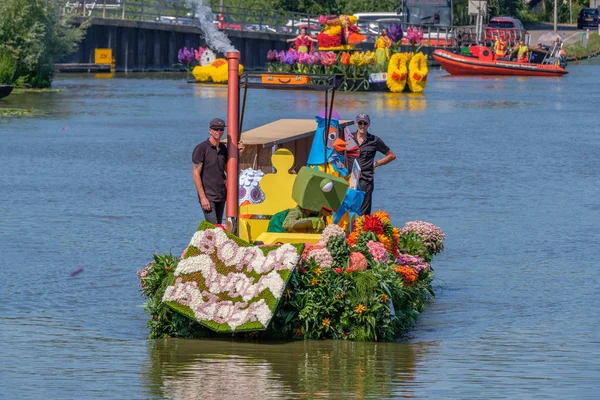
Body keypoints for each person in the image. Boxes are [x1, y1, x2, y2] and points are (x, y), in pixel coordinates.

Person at [192, 118, 244, 225]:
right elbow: (196, 173)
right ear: (210, 130)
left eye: (221, 129)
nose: (218, 132)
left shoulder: (223, 149)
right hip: (208, 195)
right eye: (215, 129)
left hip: (220, 194)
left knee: (218, 225)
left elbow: (229, 169)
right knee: (214, 226)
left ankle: (210, 241)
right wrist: (203, 197)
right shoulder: (201, 148)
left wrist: (238, 153)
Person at [346, 113, 396, 216]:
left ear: (369, 124)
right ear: (356, 124)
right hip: (350, 179)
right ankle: (348, 231)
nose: (362, 126)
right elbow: (339, 153)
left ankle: (362, 231)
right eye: (360, 123)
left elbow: (391, 155)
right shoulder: (348, 138)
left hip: (366, 179)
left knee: (364, 212)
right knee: (348, 209)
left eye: (365, 123)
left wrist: (376, 164)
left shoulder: (374, 140)